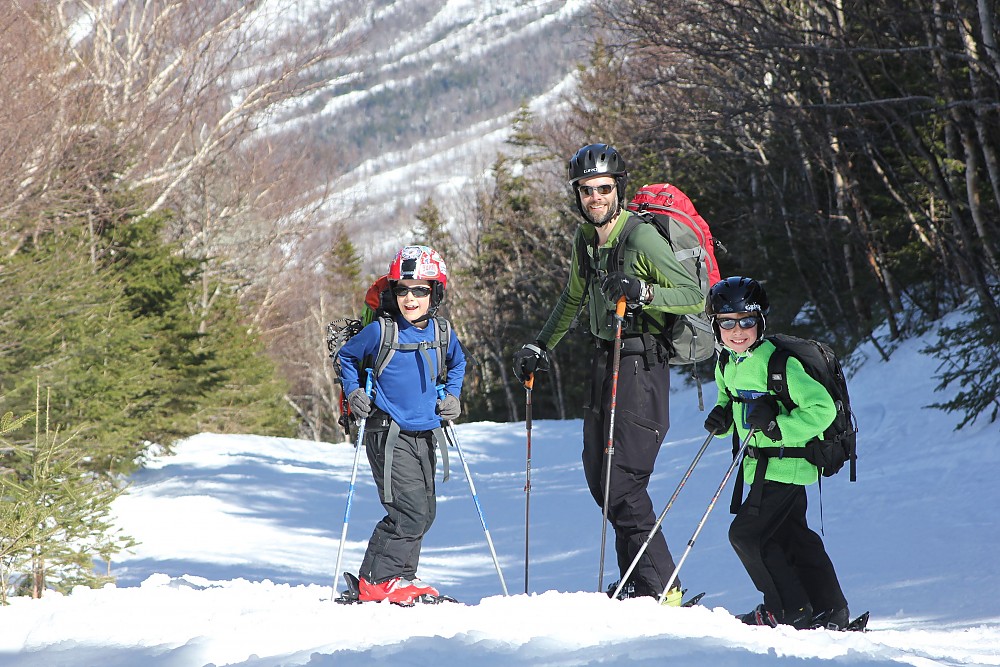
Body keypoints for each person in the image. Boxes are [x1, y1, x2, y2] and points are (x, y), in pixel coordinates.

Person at [511, 144, 704, 604]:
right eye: (586, 190)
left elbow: (693, 294)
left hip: (640, 363)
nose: (595, 196)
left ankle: (662, 587)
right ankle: (637, 581)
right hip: (605, 360)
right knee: (601, 479)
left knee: (623, 483)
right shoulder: (585, 240)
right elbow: (572, 299)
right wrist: (541, 343)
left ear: (617, 188)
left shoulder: (639, 238)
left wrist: (642, 291)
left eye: (603, 188)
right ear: (577, 195)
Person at [703, 276, 850, 630]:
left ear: (761, 322)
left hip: (789, 464)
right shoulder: (726, 364)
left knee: (747, 536)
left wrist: (776, 427)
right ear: (715, 326)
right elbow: (731, 400)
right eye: (727, 323)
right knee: (791, 536)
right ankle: (830, 608)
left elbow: (821, 410)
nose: (737, 331)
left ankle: (787, 609)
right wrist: (722, 417)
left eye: (746, 321)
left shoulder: (781, 363)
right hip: (759, 466)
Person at [338, 245, 466, 605]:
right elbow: (346, 356)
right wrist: (352, 392)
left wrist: (452, 396)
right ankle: (380, 580)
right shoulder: (381, 331)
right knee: (407, 510)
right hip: (387, 430)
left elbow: (458, 363)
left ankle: (399, 577)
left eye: (420, 290)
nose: (410, 298)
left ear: (435, 293)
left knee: (424, 512)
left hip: (425, 431)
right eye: (403, 289)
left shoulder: (442, 332)